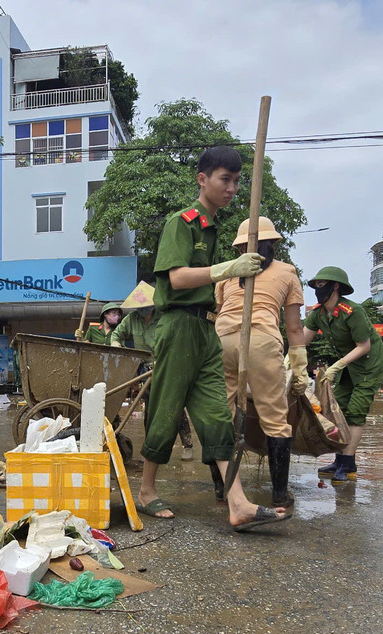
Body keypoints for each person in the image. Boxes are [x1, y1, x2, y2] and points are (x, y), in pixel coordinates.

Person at [137, 145, 290, 531]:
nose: (232, 188)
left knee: (218, 415)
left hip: (208, 330)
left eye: (237, 181)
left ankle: (238, 503)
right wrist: (229, 268)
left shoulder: (215, 227)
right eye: (225, 179)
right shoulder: (182, 223)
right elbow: (176, 278)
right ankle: (147, 490)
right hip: (179, 326)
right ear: (202, 179)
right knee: (167, 408)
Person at [214, 217, 310, 507]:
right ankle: (279, 495)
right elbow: (294, 328)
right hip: (262, 341)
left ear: (241, 247)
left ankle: (222, 489)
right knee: (275, 418)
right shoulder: (287, 272)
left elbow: (219, 311)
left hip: (222, 339)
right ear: (273, 244)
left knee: (222, 414)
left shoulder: (228, 272)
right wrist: (300, 367)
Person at [303, 267, 383, 485]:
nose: (318, 289)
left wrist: (335, 367)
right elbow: (301, 342)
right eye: (316, 285)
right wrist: (288, 361)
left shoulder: (352, 311)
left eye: (322, 285)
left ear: (335, 286)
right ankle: (340, 460)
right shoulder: (318, 314)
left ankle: (347, 464)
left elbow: (364, 346)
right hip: (349, 367)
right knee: (337, 408)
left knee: (356, 412)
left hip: (369, 365)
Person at [110, 281, 196, 462]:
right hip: (145, 369)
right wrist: (118, 346)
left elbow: (178, 340)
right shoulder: (132, 319)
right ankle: (151, 447)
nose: (143, 311)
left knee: (176, 406)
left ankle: (187, 445)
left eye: (145, 307)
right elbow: (116, 335)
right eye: (139, 308)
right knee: (149, 408)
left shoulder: (165, 317)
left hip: (167, 365)